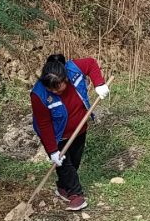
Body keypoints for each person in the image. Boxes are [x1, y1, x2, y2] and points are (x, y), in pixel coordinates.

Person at [30, 54, 109, 212]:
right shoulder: (38, 95)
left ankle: (62, 188)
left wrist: (99, 84)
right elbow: (43, 124)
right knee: (65, 165)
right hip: (57, 135)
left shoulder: (73, 69)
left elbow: (91, 63)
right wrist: (52, 150)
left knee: (75, 161)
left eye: (57, 87)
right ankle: (76, 195)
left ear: (65, 79)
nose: (54, 91)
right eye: (50, 89)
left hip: (80, 128)